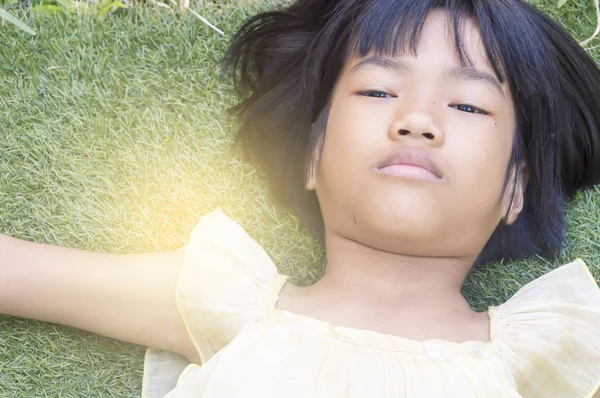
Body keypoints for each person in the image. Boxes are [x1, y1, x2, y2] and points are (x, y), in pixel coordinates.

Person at [1, 0, 600, 397]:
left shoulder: (554, 346)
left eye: (467, 105)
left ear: (516, 185)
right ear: (312, 157)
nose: (417, 120)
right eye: (376, 90)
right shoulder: (223, 299)